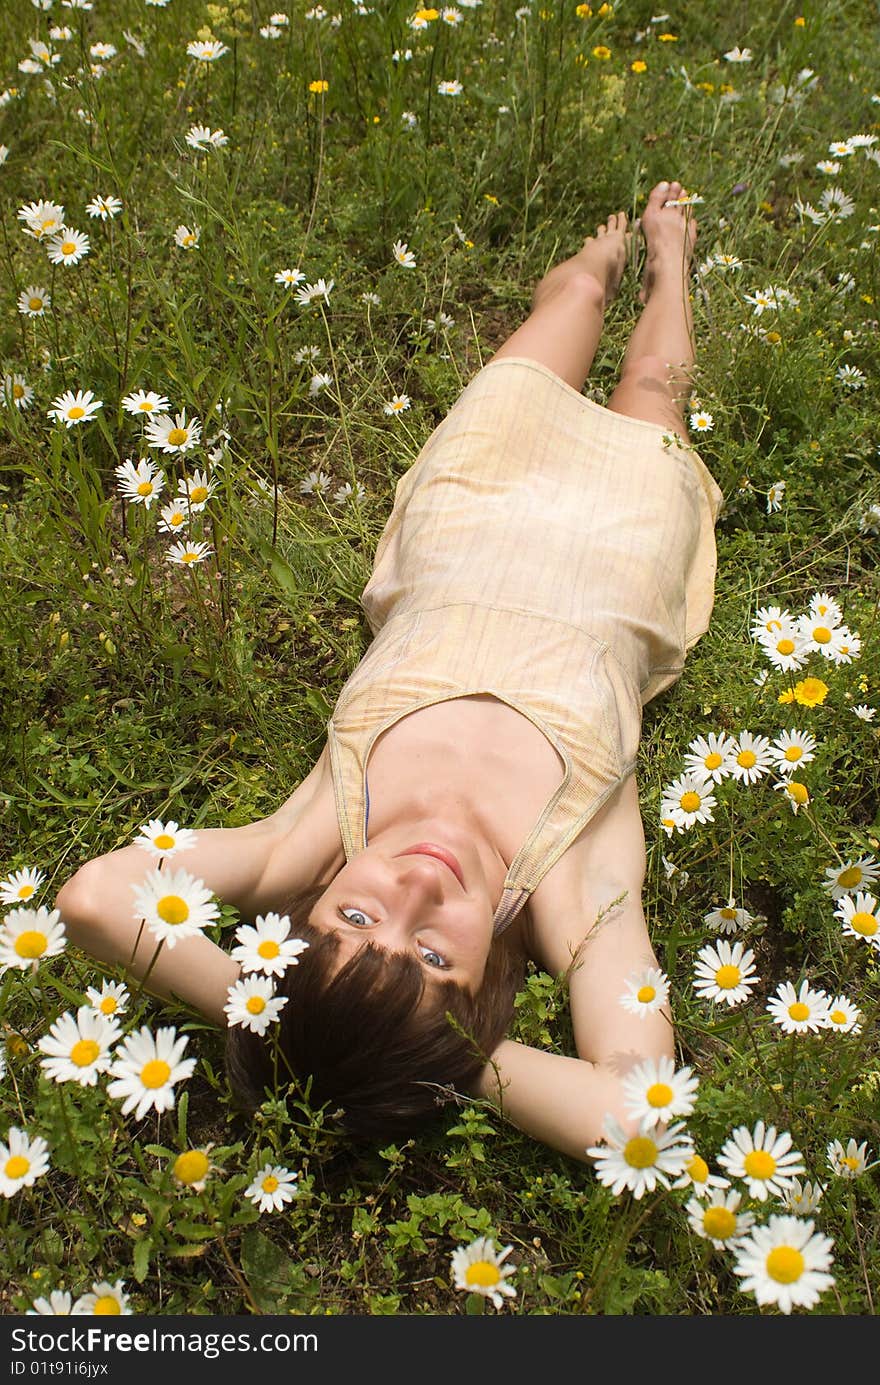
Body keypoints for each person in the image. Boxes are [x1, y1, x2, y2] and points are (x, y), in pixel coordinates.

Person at [56, 180, 723, 1165]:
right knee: (656, 386)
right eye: (434, 954)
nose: (414, 888)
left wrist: (277, 1018)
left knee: (571, 304)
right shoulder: (571, 889)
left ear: (301, 915)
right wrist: (429, 1056)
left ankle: (597, 266)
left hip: (475, 503)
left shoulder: (309, 840)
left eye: (357, 915)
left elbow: (95, 901)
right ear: (484, 994)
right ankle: (671, 259)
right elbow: (638, 1119)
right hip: (622, 547)